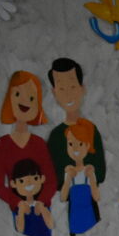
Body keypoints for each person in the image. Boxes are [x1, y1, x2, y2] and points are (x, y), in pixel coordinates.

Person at [0, 71, 58, 230]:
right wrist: (18, 203)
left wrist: (41, 202)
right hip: (17, 211)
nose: (24, 102)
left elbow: (51, 180)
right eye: (18, 94)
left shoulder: (39, 143)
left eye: (31, 98)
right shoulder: (3, 144)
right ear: (9, 99)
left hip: (42, 210)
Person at [46, 58, 108, 187]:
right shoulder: (56, 136)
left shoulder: (90, 129)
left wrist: (87, 174)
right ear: (54, 93)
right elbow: (52, 176)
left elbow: (100, 172)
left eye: (72, 87)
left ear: (82, 89)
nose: (68, 94)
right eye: (61, 89)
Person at [61, 118, 102, 236]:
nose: (75, 148)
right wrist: (68, 179)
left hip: (89, 216)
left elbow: (96, 197)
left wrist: (91, 178)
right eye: (70, 144)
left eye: (80, 144)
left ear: (87, 145)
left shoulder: (89, 171)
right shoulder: (69, 172)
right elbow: (63, 198)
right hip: (75, 217)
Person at [9, 159, 54, 236]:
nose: (29, 183)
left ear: (42, 179)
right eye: (22, 181)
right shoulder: (18, 208)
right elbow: (20, 229)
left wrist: (43, 209)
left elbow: (51, 225)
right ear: (13, 184)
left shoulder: (42, 204)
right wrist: (21, 211)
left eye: (35, 178)